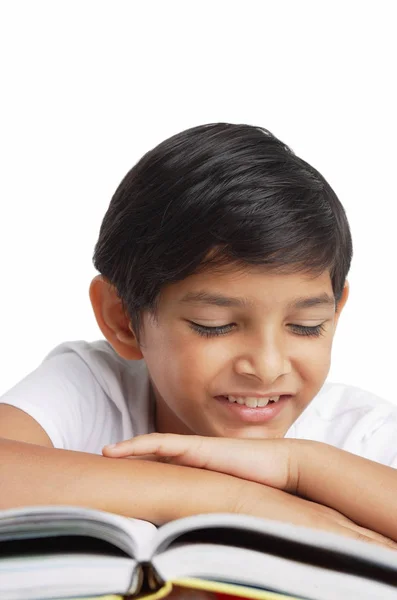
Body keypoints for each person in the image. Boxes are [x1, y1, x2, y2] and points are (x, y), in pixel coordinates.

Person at [1, 123, 397, 553]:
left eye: (306, 326)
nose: (267, 367)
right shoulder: (92, 388)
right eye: (215, 325)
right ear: (122, 319)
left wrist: (298, 466)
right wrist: (233, 500)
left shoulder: (360, 433)